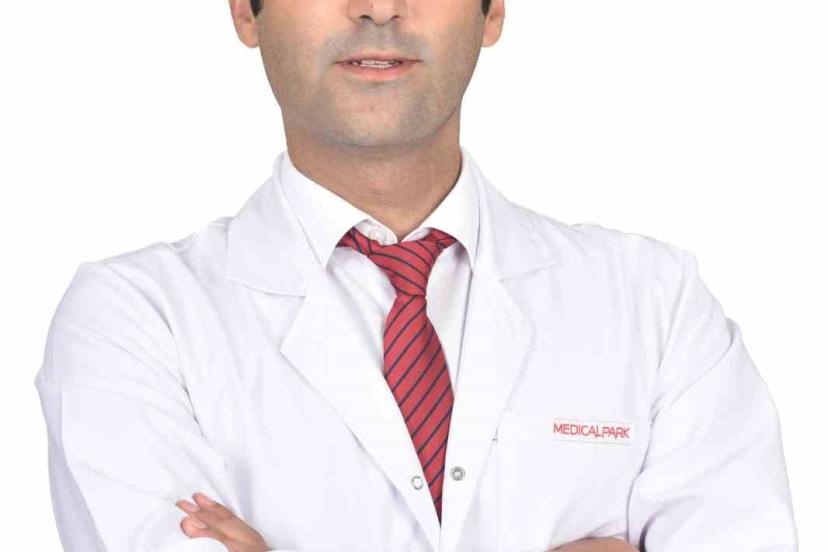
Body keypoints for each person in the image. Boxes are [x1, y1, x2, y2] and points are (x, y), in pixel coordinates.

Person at [34, 1, 798, 551]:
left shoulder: (655, 304)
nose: (379, 8)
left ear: (492, 11)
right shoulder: (136, 319)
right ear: (245, 11)